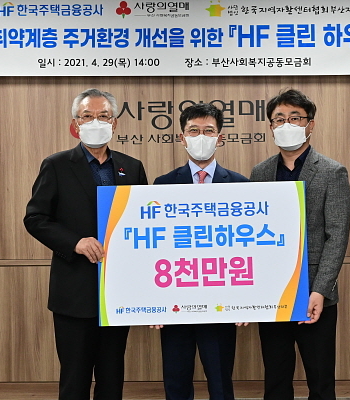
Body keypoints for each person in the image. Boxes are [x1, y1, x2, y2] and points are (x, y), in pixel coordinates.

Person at [24, 88, 148, 400]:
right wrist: (75, 242)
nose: (96, 122)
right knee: (75, 381)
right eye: (87, 116)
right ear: (76, 124)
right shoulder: (56, 165)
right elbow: (35, 218)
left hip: (117, 293)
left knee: (111, 379)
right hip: (74, 291)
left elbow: (143, 222)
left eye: (103, 116)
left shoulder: (132, 167)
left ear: (114, 123)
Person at [250, 89, 350, 400]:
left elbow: (337, 236)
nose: (286, 125)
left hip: (314, 294)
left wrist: (320, 290)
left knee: (320, 381)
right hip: (273, 293)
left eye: (295, 118)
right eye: (279, 119)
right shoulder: (260, 173)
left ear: (310, 125)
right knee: (276, 378)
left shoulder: (332, 172)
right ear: (271, 127)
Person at [152, 103, 249, 400]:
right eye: (194, 131)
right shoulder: (162, 185)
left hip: (222, 303)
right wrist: (151, 301)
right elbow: (154, 246)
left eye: (208, 131)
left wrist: (249, 300)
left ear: (220, 138)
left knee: (220, 383)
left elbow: (249, 247)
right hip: (175, 302)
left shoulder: (241, 185)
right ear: (182, 138)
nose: (201, 137)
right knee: (176, 381)